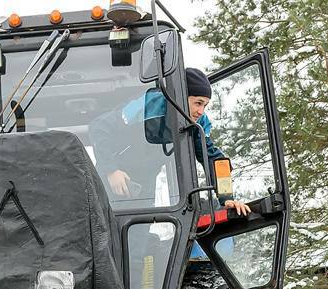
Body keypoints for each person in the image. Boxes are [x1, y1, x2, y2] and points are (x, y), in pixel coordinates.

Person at [90, 68, 250, 218]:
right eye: (198, 103)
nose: (201, 111)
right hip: (113, 179)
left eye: (205, 105)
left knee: (139, 237)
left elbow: (214, 158)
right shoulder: (149, 105)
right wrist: (111, 170)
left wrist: (226, 198)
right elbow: (99, 126)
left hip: (144, 186)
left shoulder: (198, 123)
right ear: (181, 95)